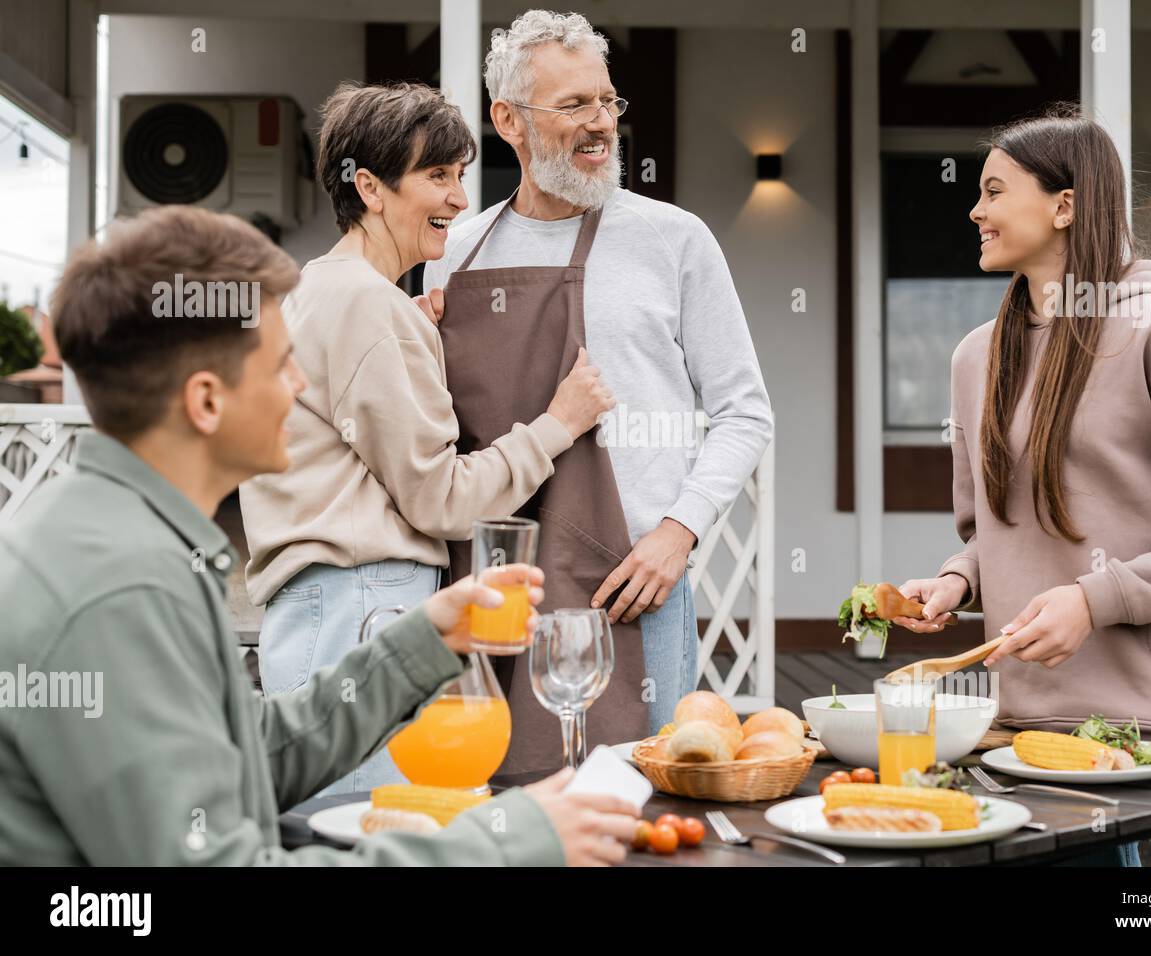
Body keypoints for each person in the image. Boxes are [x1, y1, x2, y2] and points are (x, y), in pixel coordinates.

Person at [0, 204, 638, 865]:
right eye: (282, 366)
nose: (301, 386)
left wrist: (421, 644)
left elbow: (244, 756)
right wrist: (510, 844)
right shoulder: (118, 590)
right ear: (207, 402)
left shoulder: (126, 541)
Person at [896, 106, 1151, 867]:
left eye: (993, 191)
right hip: (1043, 724)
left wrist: (1095, 598)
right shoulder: (974, 359)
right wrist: (956, 580)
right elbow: (996, 528)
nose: (973, 209)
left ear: (1065, 204)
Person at [239, 81, 614, 793]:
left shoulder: (322, 291)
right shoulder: (365, 306)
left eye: (461, 175)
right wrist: (558, 425)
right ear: (371, 188)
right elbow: (441, 501)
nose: (460, 199)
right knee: (374, 835)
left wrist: (415, 334)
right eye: (437, 176)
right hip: (364, 607)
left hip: (325, 610)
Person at [424, 10, 774, 747]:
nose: (600, 124)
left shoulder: (674, 240)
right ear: (507, 120)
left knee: (641, 814)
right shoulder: (455, 251)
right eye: (574, 105)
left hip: (632, 588)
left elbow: (746, 413)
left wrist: (678, 533)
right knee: (500, 811)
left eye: (607, 102)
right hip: (490, 589)